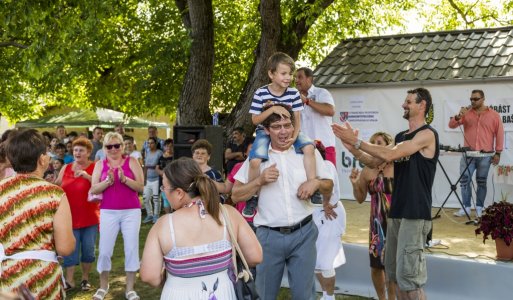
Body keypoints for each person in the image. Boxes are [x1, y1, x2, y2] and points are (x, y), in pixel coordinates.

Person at [333, 88, 438, 300]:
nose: (403, 105)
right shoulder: (401, 136)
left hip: (415, 215)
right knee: (394, 276)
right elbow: (376, 161)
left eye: (408, 101)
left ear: (422, 105)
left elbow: (390, 153)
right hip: (396, 214)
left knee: (410, 281)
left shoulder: (427, 134)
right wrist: (352, 148)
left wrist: (358, 142)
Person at [232, 103, 333, 300]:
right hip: (268, 237)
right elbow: (235, 195)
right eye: (277, 127)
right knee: (263, 295)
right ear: (267, 130)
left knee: (305, 296)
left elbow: (329, 185)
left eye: (287, 125)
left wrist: (315, 183)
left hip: (304, 234)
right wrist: (259, 181)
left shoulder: (307, 153)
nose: (284, 131)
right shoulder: (257, 158)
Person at [140, 157, 263, 299]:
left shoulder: (163, 225)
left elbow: (150, 276)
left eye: (164, 188)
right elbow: (255, 256)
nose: (164, 192)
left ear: (179, 193)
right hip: (223, 293)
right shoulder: (228, 213)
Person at [0, 129, 75, 299]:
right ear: (42, 159)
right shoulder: (54, 194)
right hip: (44, 279)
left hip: (7, 280)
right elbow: (66, 248)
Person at [246, 52, 318, 217]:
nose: (288, 77)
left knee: (308, 147)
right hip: (265, 131)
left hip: (291, 129)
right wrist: (272, 109)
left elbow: (298, 119)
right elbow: (255, 120)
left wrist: (294, 135)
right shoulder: (261, 93)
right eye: (283, 73)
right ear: (271, 74)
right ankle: (253, 195)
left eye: (290, 74)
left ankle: (312, 184)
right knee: (255, 159)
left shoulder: (293, 93)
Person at [90, 132, 144, 300]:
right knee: (105, 250)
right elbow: (93, 189)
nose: (113, 149)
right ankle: (103, 286)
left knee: (131, 249)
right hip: (108, 211)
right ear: (104, 148)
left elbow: (141, 187)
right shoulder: (100, 164)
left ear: (122, 146)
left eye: (116, 145)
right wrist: (107, 181)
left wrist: (125, 179)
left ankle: (130, 289)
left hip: (131, 212)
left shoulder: (132, 161)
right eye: (109, 146)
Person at [349, 132, 396, 300]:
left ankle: (392, 298)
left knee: (392, 266)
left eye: (379, 142)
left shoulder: (396, 166)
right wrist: (355, 185)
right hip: (376, 224)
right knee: (376, 266)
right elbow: (360, 198)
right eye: (373, 142)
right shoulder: (367, 170)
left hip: (396, 222)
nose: (375, 145)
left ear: (387, 145)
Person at [449, 89, 504, 218]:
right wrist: (458, 116)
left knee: (481, 181)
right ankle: (466, 207)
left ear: (483, 99)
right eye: (471, 99)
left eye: (476, 99)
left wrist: (498, 153)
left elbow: (499, 134)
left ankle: (479, 208)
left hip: (485, 155)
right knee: (464, 180)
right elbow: (451, 125)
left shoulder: (494, 115)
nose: (473, 101)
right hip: (468, 154)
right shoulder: (466, 113)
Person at [55, 137, 99, 292]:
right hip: (69, 218)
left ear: (88, 152)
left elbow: (101, 185)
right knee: (70, 250)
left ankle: (85, 279)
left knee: (88, 250)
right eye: (75, 150)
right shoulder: (66, 167)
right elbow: (57, 186)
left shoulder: (95, 167)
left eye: (81, 150)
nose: (77, 153)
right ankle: (69, 280)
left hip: (90, 217)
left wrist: (87, 176)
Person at [311, 140, 346, 300]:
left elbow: (328, 187)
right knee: (317, 262)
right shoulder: (306, 169)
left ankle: (330, 297)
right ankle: (326, 295)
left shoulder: (326, 165)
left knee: (326, 261)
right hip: (317, 216)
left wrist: (326, 203)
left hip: (330, 214)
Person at [295, 67, 337, 167]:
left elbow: (330, 111)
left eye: (300, 77)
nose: (296, 81)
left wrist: (307, 101)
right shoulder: (295, 98)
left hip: (324, 147)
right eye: (295, 78)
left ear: (309, 79)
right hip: (304, 148)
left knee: (328, 179)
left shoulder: (322, 92)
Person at [143, 137, 163, 223]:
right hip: (148, 179)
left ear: (155, 144)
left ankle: (156, 215)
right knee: (145, 198)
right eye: (148, 143)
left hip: (156, 178)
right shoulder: (147, 153)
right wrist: (144, 177)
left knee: (156, 198)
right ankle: (149, 214)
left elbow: (161, 165)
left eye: (151, 143)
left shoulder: (159, 153)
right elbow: (145, 166)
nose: (150, 145)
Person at [156, 138, 174, 213]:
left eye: (171, 146)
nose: (168, 148)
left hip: (173, 182)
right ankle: (168, 216)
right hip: (163, 182)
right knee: (165, 199)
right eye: (167, 146)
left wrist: (164, 173)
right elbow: (156, 168)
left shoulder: (175, 157)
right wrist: (163, 173)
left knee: (173, 200)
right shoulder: (161, 157)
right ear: (164, 147)